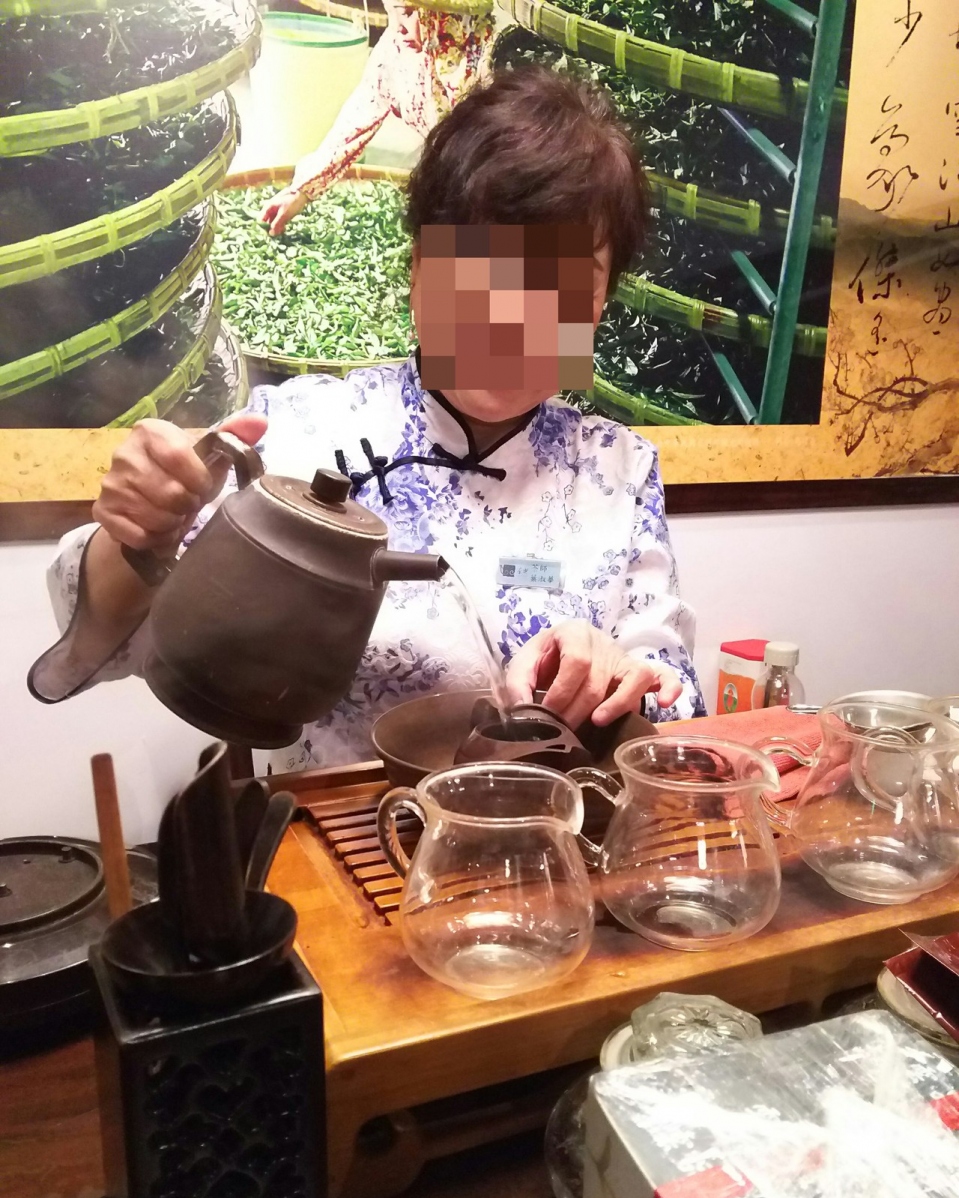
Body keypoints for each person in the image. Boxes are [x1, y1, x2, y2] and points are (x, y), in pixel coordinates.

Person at [30, 67, 705, 775]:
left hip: (561, 834)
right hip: (345, 831)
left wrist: (620, 673)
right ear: (420, 273)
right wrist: (143, 531)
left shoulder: (618, 467)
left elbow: (673, 697)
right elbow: (118, 636)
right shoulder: (299, 432)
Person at [259, 0, 494, 236]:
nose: (398, 25)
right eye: (392, 10)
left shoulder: (487, 60)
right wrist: (300, 190)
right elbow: (360, 113)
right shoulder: (396, 48)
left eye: (409, 13)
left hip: (490, 184)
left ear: (443, 18)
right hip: (449, 177)